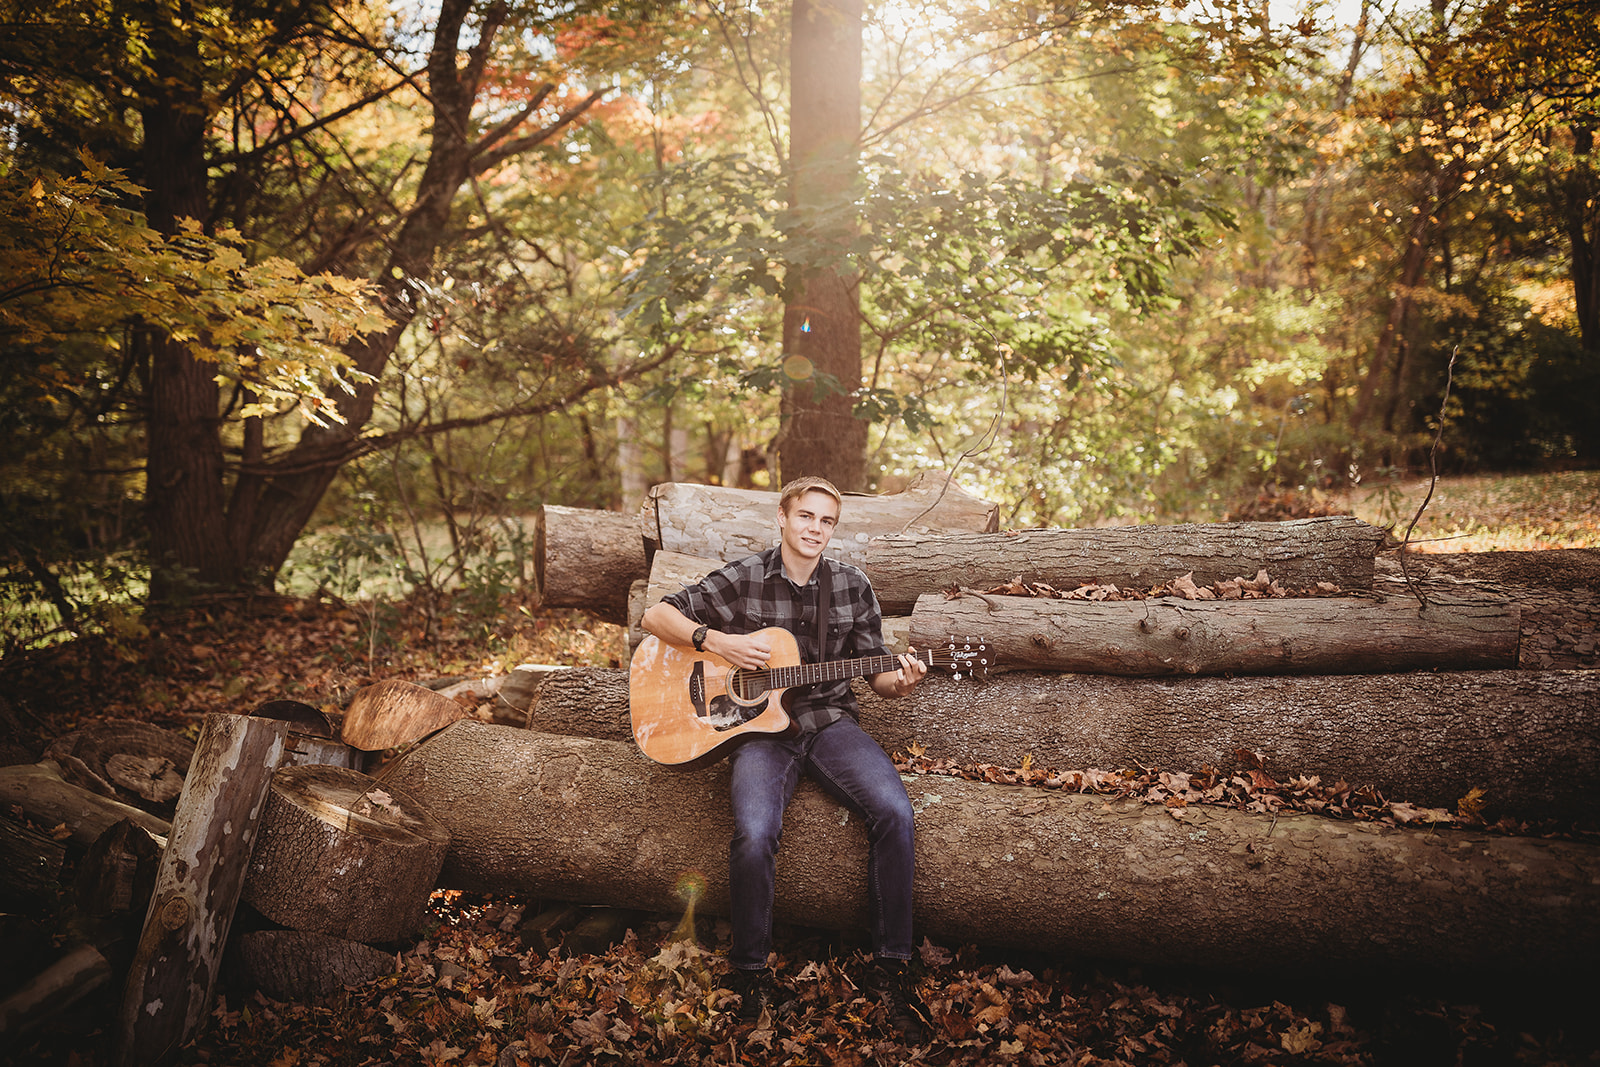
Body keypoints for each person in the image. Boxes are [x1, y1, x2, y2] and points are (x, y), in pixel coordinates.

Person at [640, 475, 930, 1040]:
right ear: (782, 516)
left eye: (827, 522)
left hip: (827, 723)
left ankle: (891, 967)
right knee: (753, 831)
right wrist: (717, 642)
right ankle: (749, 975)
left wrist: (905, 681)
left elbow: (880, 679)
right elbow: (657, 618)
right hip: (757, 732)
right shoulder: (745, 576)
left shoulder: (851, 586)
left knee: (896, 814)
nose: (816, 530)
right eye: (807, 517)